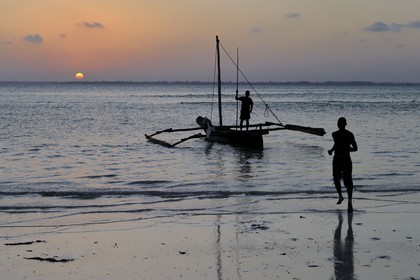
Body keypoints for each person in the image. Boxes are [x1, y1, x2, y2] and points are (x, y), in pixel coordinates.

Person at [328, 117, 358, 212]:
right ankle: (349, 201)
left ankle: (341, 196)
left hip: (338, 158)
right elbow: (355, 148)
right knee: (347, 181)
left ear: (338, 124)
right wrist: (347, 149)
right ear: (345, 124)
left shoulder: (335, 134)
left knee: (337, 178)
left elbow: (337, 144)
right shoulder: (350, 134)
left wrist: (332, 150)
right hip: (346, 158)